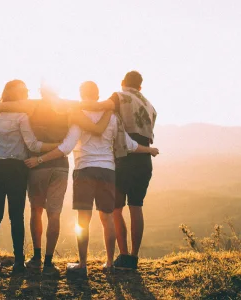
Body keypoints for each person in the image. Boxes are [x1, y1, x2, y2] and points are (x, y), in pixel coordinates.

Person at [24, 81, 159, 277]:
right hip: (108, 171)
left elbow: (66, 147)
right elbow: (129, 144)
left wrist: (40, 159)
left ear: (81, 94)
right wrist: (149, 150)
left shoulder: (78, 116)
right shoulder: (112, 117)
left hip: (84, 170)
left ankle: (83, 265)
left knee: (83, 220)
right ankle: (110, 263)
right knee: (107, 218)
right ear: (98, 96)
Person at [0, 86, 112, 275]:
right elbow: (92, 107)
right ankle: (49, 263)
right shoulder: (68, 107)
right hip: (60, 166)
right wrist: (109, 104)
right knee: (54, 214)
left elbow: (0, 106)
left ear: (41, 92)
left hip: (37, 165)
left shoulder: (31, 106)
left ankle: (36, 258)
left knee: (36, 211)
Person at [80, 71, 158, 270]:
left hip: (124, 157)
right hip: (144, 159)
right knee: (136, 207)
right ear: (140, 87)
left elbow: (99, 107)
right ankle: (133, 257)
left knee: (116, 209)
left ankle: (122, 256)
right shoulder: (150, 106)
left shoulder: (119, 96)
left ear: (123, 83)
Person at [0, 80, 59, 275]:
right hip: (16, 169)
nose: (27, 94)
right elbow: (33, 145)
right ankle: (18, 262)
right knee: (16, 216)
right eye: (25, 91)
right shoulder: (21, 116)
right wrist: (57, 146)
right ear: (18, 95)